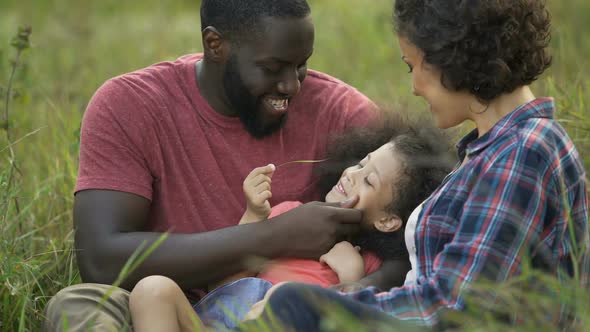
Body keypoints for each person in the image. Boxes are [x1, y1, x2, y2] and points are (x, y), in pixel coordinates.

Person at [41, 1, 415, 331]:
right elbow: (101, 259)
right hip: (165, 308)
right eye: (272, 68)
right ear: (215, 45)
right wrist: (274, 235)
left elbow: (418, 238)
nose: (291, 86)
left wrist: (352, 291)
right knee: (79, 306)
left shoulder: (341, 111)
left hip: (285, 313)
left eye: (301, 65)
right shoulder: (129, 105)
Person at [240, 0, 590, 330]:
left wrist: (319, 305)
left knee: (292, 304)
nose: (414, 88)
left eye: (413, 66)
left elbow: (455, 308)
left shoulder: (523, 151)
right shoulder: (495, 149)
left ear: (450, 58)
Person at [127, 122, 454, 331]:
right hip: (215, 324)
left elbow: (336, 321)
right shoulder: (288, 215)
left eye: (368, 180)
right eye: (360, 163)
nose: (351, 174)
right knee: (152, 290)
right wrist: (254, 217)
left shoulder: (370, 265)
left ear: (388, 220)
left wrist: (351, 276)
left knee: (286, 295)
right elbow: (221, 291)